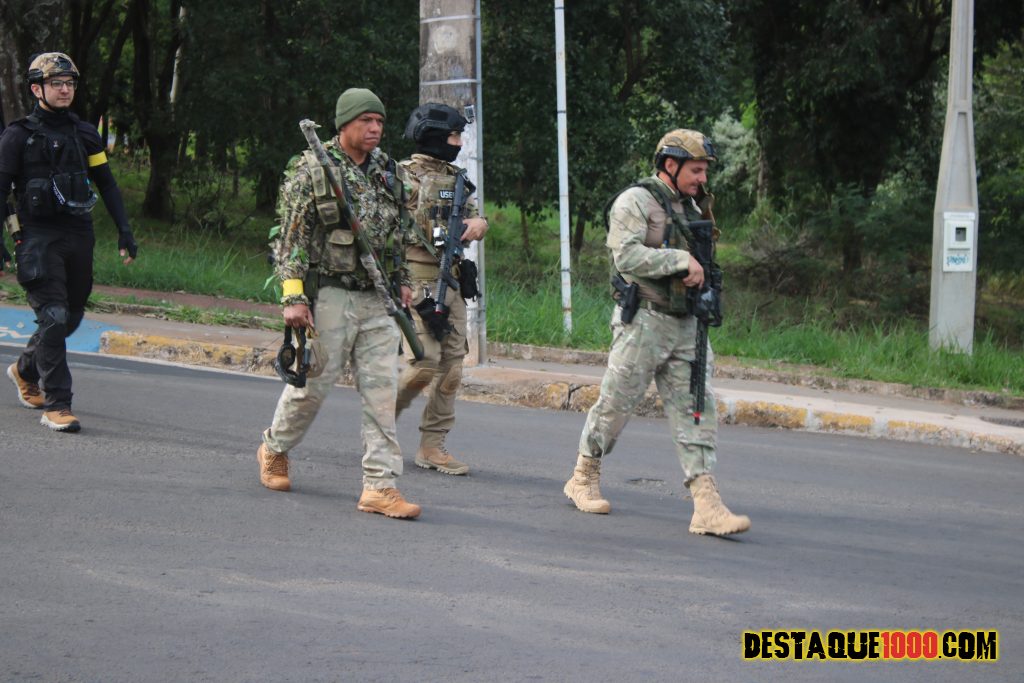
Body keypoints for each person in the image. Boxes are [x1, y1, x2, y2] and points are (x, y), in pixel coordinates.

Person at [563, 128, 751, 537]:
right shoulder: (636, 201)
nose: (703, 178)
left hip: (687, 324)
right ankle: (583, 476)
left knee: (697, 409)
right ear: (670, 164)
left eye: (704, 171)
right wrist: (679, 260)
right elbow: (626, 256)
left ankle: (706, 505)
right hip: (644, 321)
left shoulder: (694, 207)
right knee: (616, 404)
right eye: (696, 170)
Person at [256, 87, 421, 519]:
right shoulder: (314, 168)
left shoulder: (387, 171)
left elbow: (398, 234)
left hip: (379, 299)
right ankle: (274, 447)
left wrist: (403, 281)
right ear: (344, 123)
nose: (375, 128)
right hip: (330, 293)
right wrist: (293, 297)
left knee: (382, 393)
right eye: (366, 120)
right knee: (312, 387)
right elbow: (290, 239)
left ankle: (380, 486)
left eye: (379, 121)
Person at [0, 52, 137, 433]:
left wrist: (125, 230)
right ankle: (57, 404)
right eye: (56, 83)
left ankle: (24, 370)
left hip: (79, 233)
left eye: (70, 83)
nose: (64, 90)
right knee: (54, 315)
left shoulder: (85, 134)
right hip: (37, 237)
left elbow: (106, 183)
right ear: (36, 89)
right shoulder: (17, 136)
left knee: (71, 316)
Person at [394, 103, 488, 476]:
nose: (459, 143)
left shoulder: (457, 179)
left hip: (452, 279)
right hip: (416, 280)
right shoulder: (400, 176)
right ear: (433, 136)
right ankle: (380, 421)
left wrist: (479, 224)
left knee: (451, 368)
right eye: (453, 136)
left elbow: (474, 215)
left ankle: (432, 446)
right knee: (423, 363)